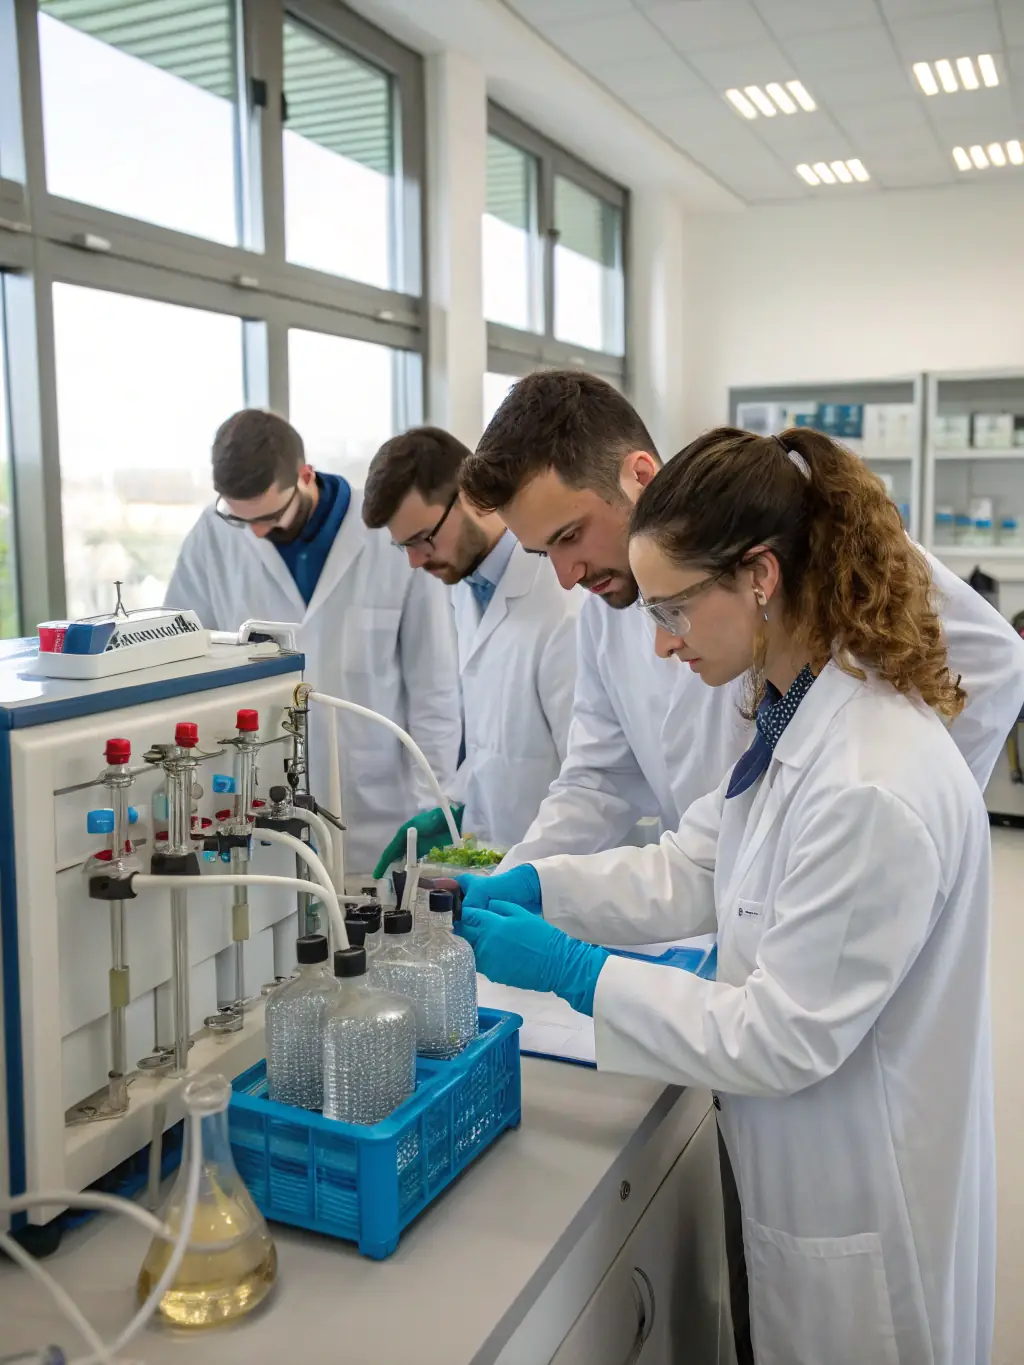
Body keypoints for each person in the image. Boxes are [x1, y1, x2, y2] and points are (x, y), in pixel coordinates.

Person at [458, 427, 994, 1365]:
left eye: (672, 609)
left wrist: (578, 974)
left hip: (865, 1200)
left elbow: (780, 1034)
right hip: (797, 1163)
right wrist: (546, 885)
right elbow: (695, 865)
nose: (660, 644)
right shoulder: (791, 708)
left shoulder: (869, 776)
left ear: (759, 575)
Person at [164, 409, 461, 874]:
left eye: (267, 515)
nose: (257, 533)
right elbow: (180, 662)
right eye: (242, 520)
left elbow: (435, 691)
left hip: (379, 812)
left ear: (306, 476)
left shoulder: (389, 533)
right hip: (257, 808)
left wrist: (431, 810)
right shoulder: (213, 537)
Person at [362, 426, 579, 868]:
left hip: (563, 873)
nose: (415, 561)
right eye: (403, 546)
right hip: (502, 862)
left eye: (423, 539)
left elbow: (592, 780)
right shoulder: (467, 587)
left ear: (474, 497)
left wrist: (529, 876)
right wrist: (453, 806)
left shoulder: (562, 603)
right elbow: (489, 743)